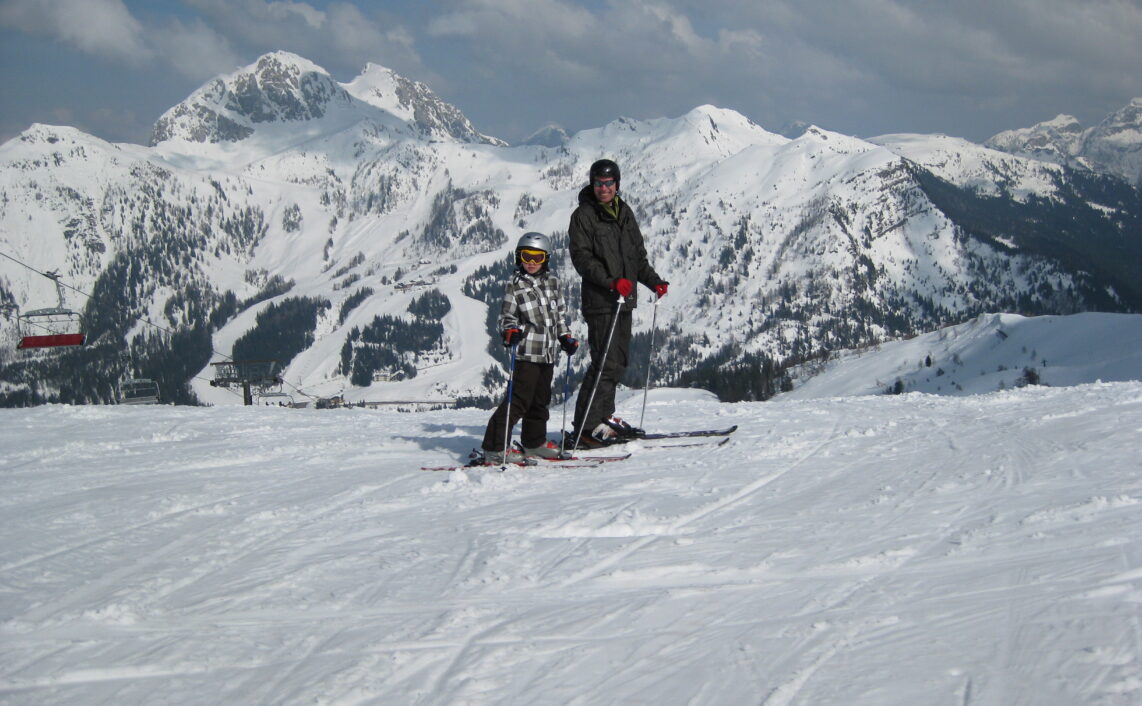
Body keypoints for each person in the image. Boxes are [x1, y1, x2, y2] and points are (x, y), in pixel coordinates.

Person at [567, 159, 668, 448]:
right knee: (604, 363)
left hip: (624, 301)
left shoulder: (624, 212)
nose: (604, 188)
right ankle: (586, 427)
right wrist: (611, 281)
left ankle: (602, 418)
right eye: (598, 183)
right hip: (601, 300)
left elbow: (636, 256)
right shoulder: (584, 216)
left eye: (608, 183)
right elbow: (582, 259)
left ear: (617, 184)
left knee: (617, 363)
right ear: (592, 184)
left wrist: (654, 281)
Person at [480, 232, 579, 464]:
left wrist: (565, 336)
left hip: (548, 353)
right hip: (526, 352)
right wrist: (510, 331)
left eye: (537, 257)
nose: (532, 262)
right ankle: (494, 447)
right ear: (519, 257)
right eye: (527, 256)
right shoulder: (515, 286)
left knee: (540, 400)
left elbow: (559, 316)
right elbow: (506, 317)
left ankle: (534, 442)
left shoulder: (554, 282)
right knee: (518, 400)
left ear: (546, 258)